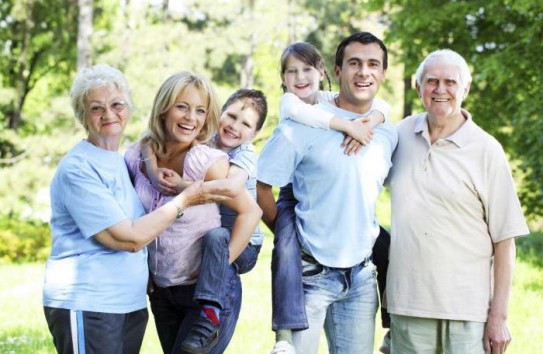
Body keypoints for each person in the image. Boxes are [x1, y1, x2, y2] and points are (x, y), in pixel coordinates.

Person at [42, 64, 227, 354]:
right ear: (82, 114)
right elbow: (127, 238)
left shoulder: (121, 160)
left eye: (117, 104)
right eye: (96, 108)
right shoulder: (78, 168)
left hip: (129, 304)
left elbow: (146, 143)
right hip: (88, 302)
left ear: (128, 108)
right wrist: (184, 200)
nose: (109, 114)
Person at [257, 32, 398, 354]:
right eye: (354, 63)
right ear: (336, 71)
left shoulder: (388, 131)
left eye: (373, 64)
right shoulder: (300, 124)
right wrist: (288, 235)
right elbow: (260, 186)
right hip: (310, 274)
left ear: (383, 73)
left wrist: (373, 119)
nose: (364, 72)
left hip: (362, 277)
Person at [386, 49, 530, 354]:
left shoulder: (487, 150)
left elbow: (505, 240)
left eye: (450, 82)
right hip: (408, 307)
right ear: (418, 87)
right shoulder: (397, 136)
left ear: (464, 88)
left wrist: (499, 317)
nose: (440, 90)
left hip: (468, 314)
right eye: (431, 81)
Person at [124, 71, 262, 354]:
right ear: (164, 107)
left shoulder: (208, 161)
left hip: (205, 296)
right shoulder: (138, 154)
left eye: (200, 110)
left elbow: (251, 212)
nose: (191, 118)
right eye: (182, 107)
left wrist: (219, 269)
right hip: (162, 292)